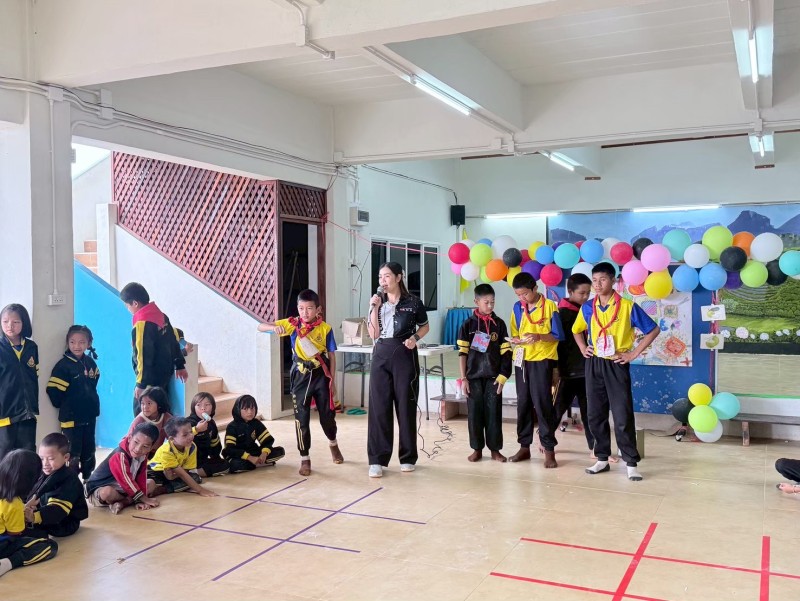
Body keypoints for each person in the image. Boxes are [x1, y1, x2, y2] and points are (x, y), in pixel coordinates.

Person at [572, 262, 659, 481]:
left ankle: (631, 463)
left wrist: (633, 353)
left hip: (616, 362)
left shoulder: (627, 306)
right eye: (594, 280)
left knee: (622, 413)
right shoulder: (588, 307)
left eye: (602, 279)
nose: (597, 284)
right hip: (594, 363)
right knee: (595, 412)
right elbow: (576, 330)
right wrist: (583, 348)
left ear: (613, 280)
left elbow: (653, 329)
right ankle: (601, 458)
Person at [258, 289, 342, 477]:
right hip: (300, 376)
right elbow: (260, 326)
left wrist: (332, 381)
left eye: (309, 308)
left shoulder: (325, 329)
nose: (305, 312)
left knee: (327, 417)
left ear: (318, 309)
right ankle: (305, 458)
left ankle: (333, 443)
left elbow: (332, 356)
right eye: (301, 308)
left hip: (321, 375)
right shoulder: (292, 324)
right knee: (301, 419)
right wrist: (274, 328)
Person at [366, 261, 430, 478]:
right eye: (380, 277)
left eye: (387, 276)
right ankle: (377, 459)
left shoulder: (413, 302)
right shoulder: (378, 302)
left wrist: (415, 338)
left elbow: (425, 326)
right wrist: (374, 307)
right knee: (379, 408)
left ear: (398, 277)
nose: (383, 281)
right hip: (381, 354)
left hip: (404, 354)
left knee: (405, 406)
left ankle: (408, 457)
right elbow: (374, 334)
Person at [507, 272, 564, 468]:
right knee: (523, 403)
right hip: (522, 359)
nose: (522, 298)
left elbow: (558, 335)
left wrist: (539, 336)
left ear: (535, 289)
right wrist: (516, 340)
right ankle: (524, 447)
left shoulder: (550, 307)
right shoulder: (517, 308)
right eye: (518, 295)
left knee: (542, 403)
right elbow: (515, 331)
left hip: (542, 359)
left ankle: (549, 450)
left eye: (525, 294)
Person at [457, 284, 513, 462]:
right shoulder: (467, 325)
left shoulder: (499, 324)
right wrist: (464, 378)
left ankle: (495, 450)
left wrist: (503, 376)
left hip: (494, 378)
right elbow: (463, 354)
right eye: (486, 302)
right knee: (474, 414)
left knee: (494, 414)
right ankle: (477, 449)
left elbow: (506, 353)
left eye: (492, 302)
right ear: (476, 302)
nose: (490, 305)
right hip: (473, 378)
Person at [119, 282, 187, 417]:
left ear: (135, 303)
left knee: (141, 415)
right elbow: (173, 340)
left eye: (127, 305)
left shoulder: (142, 323)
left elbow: (143, 356)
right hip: (163, 376)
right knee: (162, 411)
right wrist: (179, 364)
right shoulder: (161, 316)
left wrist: (141, 384)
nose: (127, 309)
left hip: (149, 380)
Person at [46, 325, 101, 480]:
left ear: (89, 343)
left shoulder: (90, 363)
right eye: (72, 342)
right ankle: (71, 482)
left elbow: (94, 382)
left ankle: (88, 479)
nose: (77, 346)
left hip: (89, 416)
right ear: (67, 343)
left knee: (89, 449)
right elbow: (53, 391)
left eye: (81, 342)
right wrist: (67, 405)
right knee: (72, 452)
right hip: (71, 419)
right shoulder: (63, 366)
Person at [552, 273, 595, 453]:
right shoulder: (561, 314)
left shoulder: (587, 311)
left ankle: (595, 449)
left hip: (587, 370)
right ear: (570, 291)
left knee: (590, 412)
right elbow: (556, 345)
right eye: (581, 293)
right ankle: (545, 441)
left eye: (588, 293)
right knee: (557, 409)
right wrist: (556, 370)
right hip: (568, 371)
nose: (585, 297)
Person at [0, 449, 58, 578]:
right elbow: (14, 533)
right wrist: (24, 516)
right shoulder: (13, 503)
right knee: (49, 545)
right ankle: (8, 563)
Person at [84, 422, 161, 514]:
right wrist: (143, 498)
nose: (138, 449)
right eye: (136, 442)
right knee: (107, 492)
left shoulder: (143, 455)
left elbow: (141, 477)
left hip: (124, 489)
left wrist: (140, 500)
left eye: (145, 446)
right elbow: (125, 480)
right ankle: (128, 501)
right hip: (101, 489)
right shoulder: (119, 455)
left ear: (151, 448)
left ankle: (122, 502)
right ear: (130, 438)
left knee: (151, 483)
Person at [23, 433, 88, 538]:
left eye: (51, 459)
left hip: (64, 523)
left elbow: (58, 510)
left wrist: (33, 517)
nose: (45, 463)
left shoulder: (70, 479)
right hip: (45, 512)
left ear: (66, 457)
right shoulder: (43, 471)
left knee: (28, 531)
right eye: (42, 458)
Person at [0, 304, 39, 459]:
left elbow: (34, 375)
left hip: (27, 412)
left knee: (27, 454)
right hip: (4, 412)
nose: (10, 326)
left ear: (24, 323)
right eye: (5, 321)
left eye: (16, 322)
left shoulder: (31, 347)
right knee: (5, 456)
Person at [148, 417, 217, 497]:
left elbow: (185, 471)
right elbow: (182, 474)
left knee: (195, 477)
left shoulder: (192, 447)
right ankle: (163, 487)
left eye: (191, 432)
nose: (191, 436)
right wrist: (200, 490)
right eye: (185, 435)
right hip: (156, 472)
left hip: (174, 473)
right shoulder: (167, 451)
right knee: (150, 484)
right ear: (172, 439)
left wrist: (172, 477)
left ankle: (164, 489)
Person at [223, 395, 285, 473]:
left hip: (253, 451)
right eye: (245, 409)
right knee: (235, 465)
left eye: (252, 408)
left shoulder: (256, 423)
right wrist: (249, 457)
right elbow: (230, 449)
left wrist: (264, 453)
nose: (250, 412)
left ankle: (256, 463)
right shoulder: (232, 427)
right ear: (238, 410)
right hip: (237, 455)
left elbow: (268, 440)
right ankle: (259, 463)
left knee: (280, 451)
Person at [186, 392, 229, 478]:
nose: (203, 408)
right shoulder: (188, 422)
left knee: (225, 464)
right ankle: (191, 471)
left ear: (213, 408)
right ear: (193, 408)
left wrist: (216, 457)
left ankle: (196, 472)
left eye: (207, 405)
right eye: (198, 405)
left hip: (203, 460)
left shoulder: (211, 423)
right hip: (188, 460)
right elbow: (182, 438)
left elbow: (214, 442)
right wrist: (196, 429)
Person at [127, 386, 173, 456]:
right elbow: (128, 440)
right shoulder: (140, 420)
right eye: (142, 403)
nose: (145, 407)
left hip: (155, 453)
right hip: (138, 453)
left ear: (159, 404)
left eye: (149, 403)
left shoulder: (166, 417)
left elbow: (174, 435)